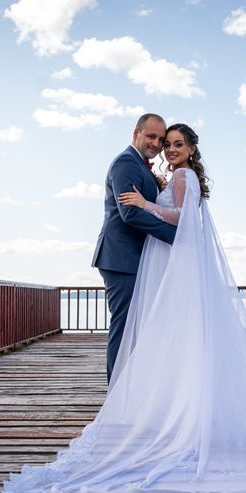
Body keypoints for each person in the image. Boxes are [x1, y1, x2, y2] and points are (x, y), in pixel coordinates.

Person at [2, 123, 246, 493]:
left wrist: (148, 205)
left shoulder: (180, 174)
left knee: (153, 332)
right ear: (138, 134)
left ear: (191, 148)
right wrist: (157, 214)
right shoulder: (134, 166)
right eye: (162, 141)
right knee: (143, 331)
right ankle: (137, 401)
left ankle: (141, 406)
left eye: (174, 143)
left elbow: (178, 217)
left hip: (159, 259)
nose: (166, 147)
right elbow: (141, 217)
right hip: (133, 259)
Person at [90, 113, 177, 383]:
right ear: (136, 133)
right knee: (125, 327)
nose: (156, 143)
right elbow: (130, 214)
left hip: (136, 258)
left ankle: (133, 392)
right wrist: (178, 236)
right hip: (121, 258)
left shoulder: (143, 167)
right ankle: (116, 398)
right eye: (151, 136)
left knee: (138, 329)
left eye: (160, 139)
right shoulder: (126, 163)